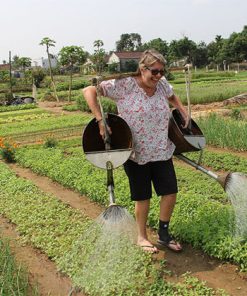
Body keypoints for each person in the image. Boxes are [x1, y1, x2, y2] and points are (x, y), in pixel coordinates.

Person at [82, 49, 189, 253]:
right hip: (136, 153)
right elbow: (89, 91)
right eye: (155, 72)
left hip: (161, 149)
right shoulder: (125, 85)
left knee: (170, 192)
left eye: (162, 72)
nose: (158, 76)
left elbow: (172, 96)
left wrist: (183, 112)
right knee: (143, 197)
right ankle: (141, 237)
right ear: (142, 68)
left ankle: (164, 235)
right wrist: (100, 120)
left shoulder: (161, 85)